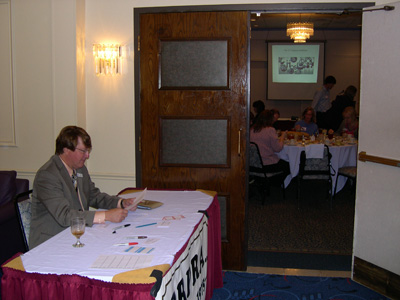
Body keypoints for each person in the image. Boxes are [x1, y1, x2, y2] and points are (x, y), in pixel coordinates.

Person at [30, 126, 138, 248]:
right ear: (66, 150)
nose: (87, 156)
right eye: (83, 151)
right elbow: (64, 216)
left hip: (77, 235)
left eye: (88, 151)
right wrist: (106, 215)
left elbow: (93, 196)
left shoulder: (79, 168)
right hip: (51, 242)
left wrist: (121, 203)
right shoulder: (48, 175)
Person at [250, 110, 290, 179]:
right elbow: (278, 149)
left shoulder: (252, 129)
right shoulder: (270, 130)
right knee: (288, 165)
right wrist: (282, 137)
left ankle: (262, 182)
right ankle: (275, 184)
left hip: (252, 165)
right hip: (266, 165)